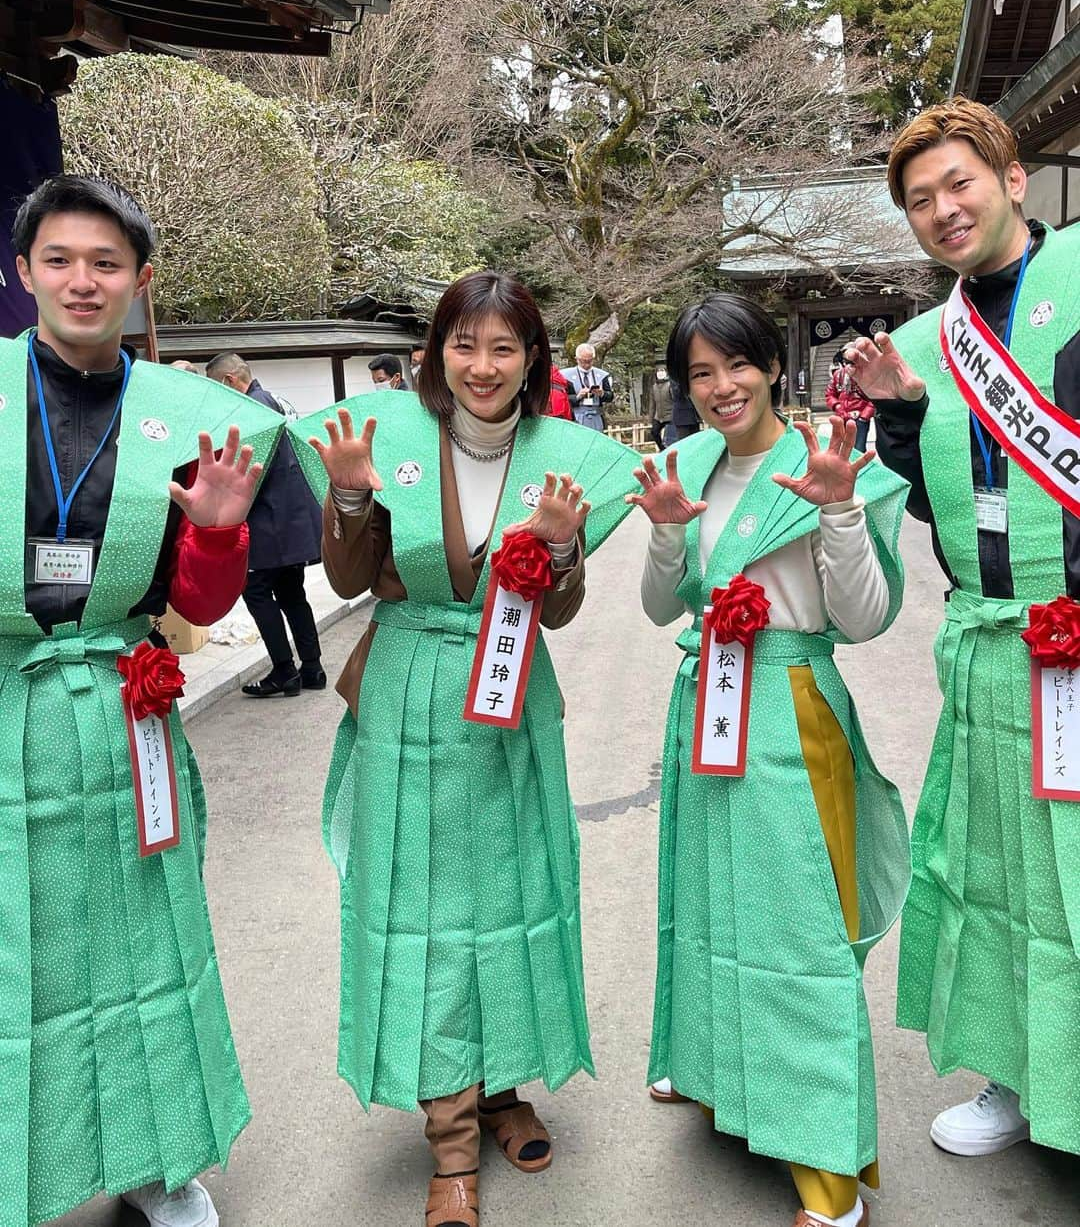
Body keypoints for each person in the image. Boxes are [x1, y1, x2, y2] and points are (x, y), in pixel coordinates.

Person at [298, 271, 635, 1227]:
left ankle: (493, 1088)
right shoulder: (394, 441)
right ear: (436, 354)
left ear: (532, 362)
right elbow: (353, 576)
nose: (481, 366)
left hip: (513, 697)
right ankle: (449, 1135)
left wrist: (564, 550)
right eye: (463, 344)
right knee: (430, 909)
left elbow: (555, 614)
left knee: (510, 896)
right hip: (410, 697)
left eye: (503, 348)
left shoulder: (560, 458)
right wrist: (353, 498)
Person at [5, 175, 282, 1227]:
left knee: (143, 935)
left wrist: (216, 528)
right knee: (13, 941)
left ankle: (158, 1157)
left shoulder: (181, 416)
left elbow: (195, 602)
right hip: (9, 703)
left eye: (107, 263)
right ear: (21, 270)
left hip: (130, 702)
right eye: (62, 259)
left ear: (140, 281)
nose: (84, 280)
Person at [630, 293, 910, 1227]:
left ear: (772, 369)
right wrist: (667, 531)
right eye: (698, 374)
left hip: (791, 708)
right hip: (703, 706)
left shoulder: (827, 461)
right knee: (707, 904)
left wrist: (838, 515)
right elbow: (662, 609)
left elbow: (863, 621)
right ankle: (718, 1077)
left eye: (736, 366)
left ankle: (829, 1171)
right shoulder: (689, 466)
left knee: (798, 933)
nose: (719, 388)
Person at [845, 96, 1080, 1161]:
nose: (943, 209)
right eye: (920, 199)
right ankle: (1017, 1076)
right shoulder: (920, 344)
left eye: (959, 184)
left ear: (1014, 179)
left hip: (1075, 634)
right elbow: (948, 508)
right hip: (990, 648)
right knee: (998, 872)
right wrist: (900, 417)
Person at [207, 351, 326, 697]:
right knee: (292, 593)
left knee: (256, 591)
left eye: (218, 387)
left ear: (229, 380)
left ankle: (284, 671)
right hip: (292, 516)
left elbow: (251, 474)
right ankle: (312, 667)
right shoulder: (274, 400)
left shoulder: (252, 409)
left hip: (270, 520)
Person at [825, 348, 875, 452]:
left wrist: (864, 416)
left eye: (852, 363)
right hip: (842, 416)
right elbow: (829, 395)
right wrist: (838, 407)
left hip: (860, 417)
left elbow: (875, 397)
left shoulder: (867, 375)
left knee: (859, 449)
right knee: (840, 448)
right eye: (846, 362)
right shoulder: (838, 375)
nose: (849, 366)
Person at [563, 342, 613, 429]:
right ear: (577, 359)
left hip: (597, 416)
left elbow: (610, 396)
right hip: (575, 416)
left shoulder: (602, 375)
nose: (587, 364)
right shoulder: (566, 376)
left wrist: (602, 394)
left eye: (590, 361)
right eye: (583, 361)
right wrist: (578, 396)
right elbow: (562, 398)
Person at [649, 362, 674, 450]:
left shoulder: (670, 385)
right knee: (654, 432)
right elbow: (652, 404)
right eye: (658, 371)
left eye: (662, 371)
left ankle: (671, 449)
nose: (660, 373)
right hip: (658, 416)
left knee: (671, 436)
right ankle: (662, 449)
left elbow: (674, 401)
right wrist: (651, 418)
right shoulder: (654, 387)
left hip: (670, 416)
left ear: (666, 373)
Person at [670, 374, 700, 439]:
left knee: (696, 443)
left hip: (694, 416)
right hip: (682, 418)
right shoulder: (674, 378)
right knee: (684, 444)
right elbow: (676, 394)